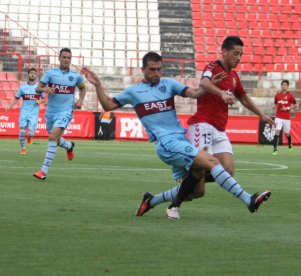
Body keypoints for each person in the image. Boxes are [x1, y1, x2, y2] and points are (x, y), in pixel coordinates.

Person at [83, 52, 271, 219]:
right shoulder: (134, 92)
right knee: (212, 162)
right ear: (143, 69)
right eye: (152, 69)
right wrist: (98, 85)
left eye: (159, 69)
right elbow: (108, 105)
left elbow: (196, 94)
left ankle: (151, 200)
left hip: (181, 139)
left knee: (197, 189)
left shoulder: (169, 84)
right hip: (166, 143)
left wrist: (209, 86)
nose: (156, 73)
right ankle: (249, 200)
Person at [137, 36, 274, 214]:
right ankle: (243, 198)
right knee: (202, 177)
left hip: (219, 129)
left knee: (223, 173)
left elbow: (243, 97)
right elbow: (204, 83)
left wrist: (261, 114)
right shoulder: (213, 67)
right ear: (224, 52)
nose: (239, 58)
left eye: (241, 54)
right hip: (202, 125)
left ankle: (154, 199)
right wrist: (221, 93)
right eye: (236, 53)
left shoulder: (233, 77)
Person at [33, 48, 86, 180]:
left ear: (71, 59)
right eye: (64, 57)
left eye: (69, 58)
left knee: (52, 137)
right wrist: (45, 88)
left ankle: (43, 171)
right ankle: (69, 146)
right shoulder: (51, 73)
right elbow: (37, 89)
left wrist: (80, 100)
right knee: (55, 139)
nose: (66, 60)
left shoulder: (75, 76)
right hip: (50, 112)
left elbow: (83, 88)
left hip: (65, 112)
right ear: (59, 58)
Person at [5, 68, 45, 154]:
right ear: (28, 74)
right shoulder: (22, 87)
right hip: (24, 111)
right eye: (31, 73)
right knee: (22, 130)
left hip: (34, 112)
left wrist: (40, 101)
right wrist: (10, 106)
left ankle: (30, 137)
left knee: (30, 133)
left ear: (36, 75)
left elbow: (45, 99)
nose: (33, 74)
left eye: (34, 73)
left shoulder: (39, 87)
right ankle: (23, 148)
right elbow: (16, 98)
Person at [272, 79, 296, 155]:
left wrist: (287, 108)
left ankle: (289, 144)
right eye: (283, 85)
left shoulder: (290, 96)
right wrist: (274, 107)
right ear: (281, 86)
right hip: (278, 117)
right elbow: (275, 103)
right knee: (277, 131)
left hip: (286, 118)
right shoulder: (277, 95)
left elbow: (295, 105)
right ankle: (275, 149)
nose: (284, 86)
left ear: (288, 86)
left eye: (285, 85)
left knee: (287, 134)